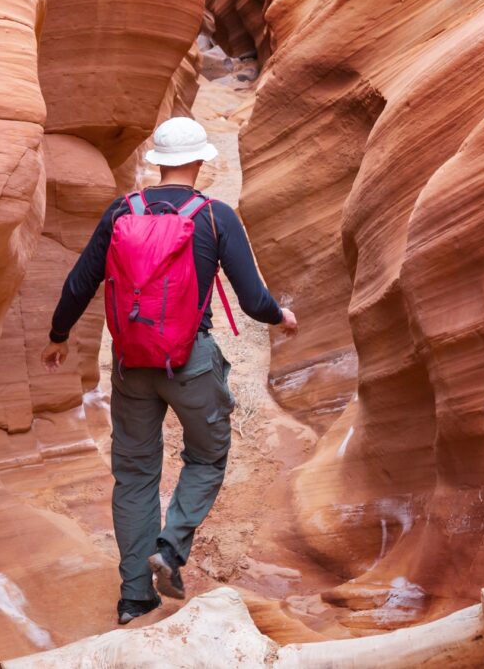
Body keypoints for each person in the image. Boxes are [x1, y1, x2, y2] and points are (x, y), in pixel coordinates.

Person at [41, 117, 298, 625]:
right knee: (207, 457)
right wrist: (279, 316)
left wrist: (58, 337)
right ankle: (172, 547)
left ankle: (135, 595)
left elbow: (80, 282)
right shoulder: (215, 215)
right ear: (201, 162)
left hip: (131, 362)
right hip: (191, 362)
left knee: (134, 476)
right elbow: (251, 298)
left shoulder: (123, 211)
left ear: (157, 163)